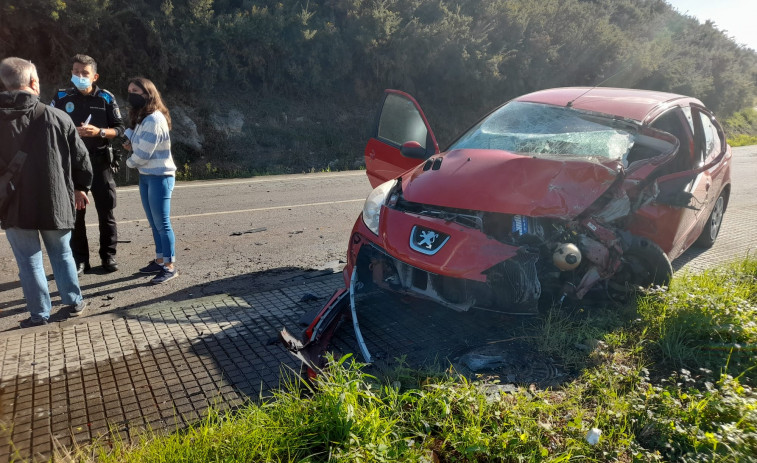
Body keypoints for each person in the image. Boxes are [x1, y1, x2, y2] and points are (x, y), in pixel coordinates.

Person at [0, 57, 93, 327]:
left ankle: (39, 314)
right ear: (33, 82)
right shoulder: (58, 117)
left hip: (14, 204)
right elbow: (81, 160)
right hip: (55, 201)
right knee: (63, 254)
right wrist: (81, 187)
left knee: (29, 262)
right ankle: (74, 303)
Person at [51, 54, 125, 274]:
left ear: (95, 76)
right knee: (76, 215)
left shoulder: (106, 98)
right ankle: (80, 260)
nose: (80, 76)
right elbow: (49, 126)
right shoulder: (61, 97)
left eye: (84, 73)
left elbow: (120, 129)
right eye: (76, 72)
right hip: (72, 165)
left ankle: (108, 256)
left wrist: (99, 132)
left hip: (100, 161)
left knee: (106, 212)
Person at [123, 77, 178, 284]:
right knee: (154, 223)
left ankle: (170, 266)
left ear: (148, 94)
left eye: (135, 91)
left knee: (162, 223)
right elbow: (138, 142)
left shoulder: (154, 119)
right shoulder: (143, 118)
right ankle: (159, 260)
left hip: (159, 176)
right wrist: (129, 140)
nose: (131, 95)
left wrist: (129, 161)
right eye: (129, 90)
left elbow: (143, 154)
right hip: (147, 176)